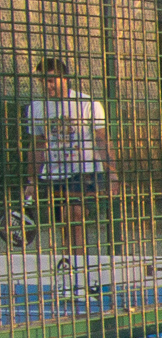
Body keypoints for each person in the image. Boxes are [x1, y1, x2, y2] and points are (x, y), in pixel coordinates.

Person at [23, 58, 113, 290]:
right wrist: (32, 180)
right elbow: (38, 146)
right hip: (54, 174)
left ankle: (81, 277)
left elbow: (102, 140)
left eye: (51, 80)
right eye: (43, 81)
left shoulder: (87, 104)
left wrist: (111, 172)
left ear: (64, 78)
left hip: (82, 171)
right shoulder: (37, 107)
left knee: (74, 217)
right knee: (65, 222)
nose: (47, 86)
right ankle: (71, 273)